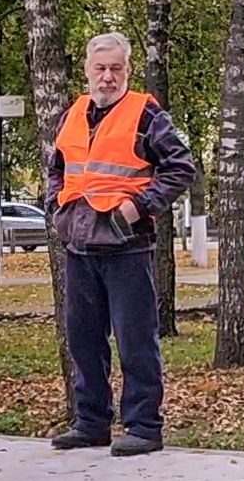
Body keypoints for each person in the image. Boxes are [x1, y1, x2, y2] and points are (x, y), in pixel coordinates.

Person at [46, 32, 196, 456]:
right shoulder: (73, 113)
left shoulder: (146, 114)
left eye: (116, 69)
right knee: (83, 339)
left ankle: (144, 426)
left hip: (127, 246)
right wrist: (55, 206)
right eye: (100, 68)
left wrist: (138, 207)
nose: (108, 77)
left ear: (127, 71)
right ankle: (91, 422)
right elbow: (56, 168)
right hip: (79, 244)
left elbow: (181, 168)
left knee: (135, 339)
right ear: (87, 71)